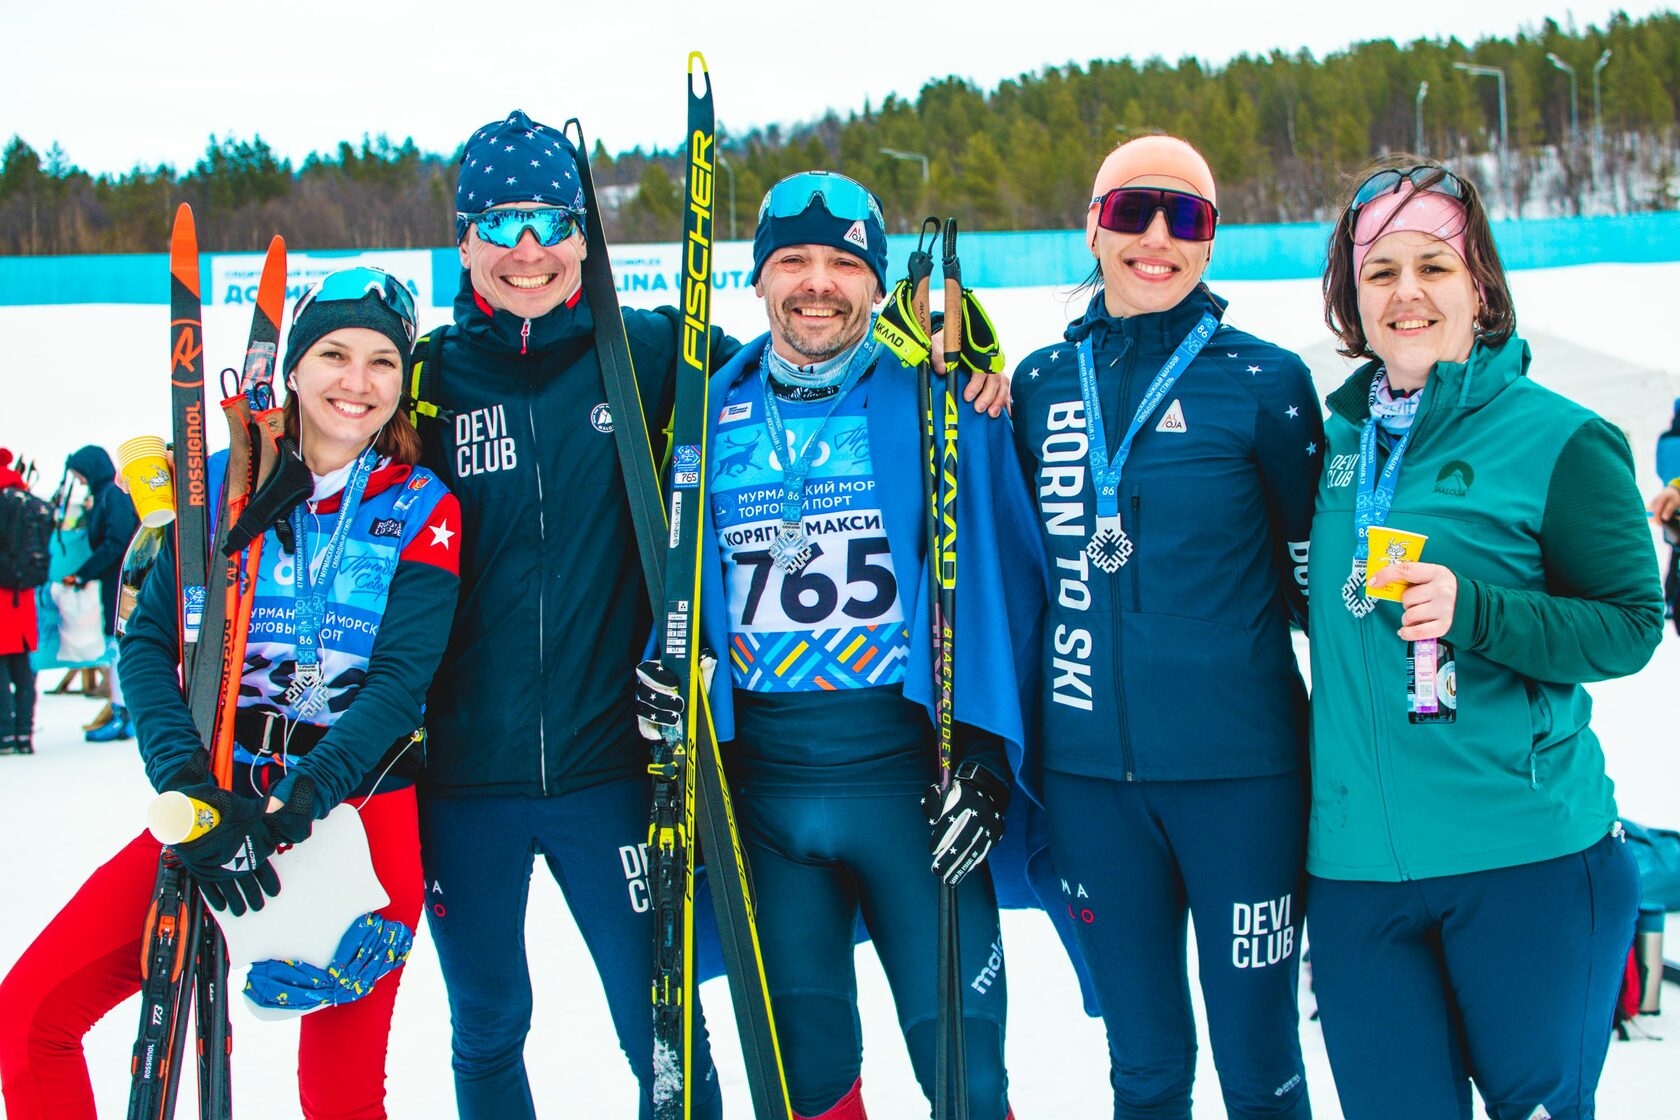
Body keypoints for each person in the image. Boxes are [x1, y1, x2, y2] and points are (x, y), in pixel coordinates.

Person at [0, 267, 461, 1120]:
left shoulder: (422, 504)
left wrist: (298, 804)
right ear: (292, 367)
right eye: (333, 354)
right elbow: (144, 646)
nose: (356, 383)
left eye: (380, 363)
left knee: (339, 1096)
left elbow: (401, 681)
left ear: (402, 382)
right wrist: (186, 785)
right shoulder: (214, 485)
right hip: (213, 797)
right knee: (28, 1016)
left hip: (354, 815)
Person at [634, 171, 1037, 1120]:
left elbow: (1003, 586)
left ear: (876, 280)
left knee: (970, 1084)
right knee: (804, 1082)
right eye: (794, 261)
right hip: (764, 802)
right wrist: (662, 665)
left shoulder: (942, 408)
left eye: (844, 264)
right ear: (759, 278)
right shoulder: (702, 416)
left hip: (911, 789)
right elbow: (668, 575)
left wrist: (981, 755)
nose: (819, 283)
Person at [1306, 159, 1661, 1119]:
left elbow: (1633, 627)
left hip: (1526, 862)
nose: (1407, 293)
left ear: (1482, 288)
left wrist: (1479, 612)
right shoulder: (1330, 446)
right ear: (1352, 294)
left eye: (1435, 267)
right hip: (1356, 876)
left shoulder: (1560, 438)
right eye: (1381, 272)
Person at [1006, 135, 1320, 1119]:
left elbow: (1319, 585)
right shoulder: (1040, 384)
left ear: (1212, 239)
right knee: (1144, 1065)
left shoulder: (1267, 384)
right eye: (1133, 211)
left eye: (1185, 217)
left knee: (1258, 1060)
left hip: (1243, 785)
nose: (1156, 237)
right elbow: (1007, 567)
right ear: (1093, 227)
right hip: (1092, 785)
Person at [57, 444, 139, 739]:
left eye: (80, 475)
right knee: (117, 646)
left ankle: (123, 713)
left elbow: (117, 542)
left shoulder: (112, 495)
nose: (80, 481)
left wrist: (83, 573)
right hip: (116, 582)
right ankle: (122, 711)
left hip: (122, 584)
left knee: (120, 647)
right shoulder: (106, 495)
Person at [0, 448, 39, 755]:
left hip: (1, 598)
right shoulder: (24, 497)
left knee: (0, 672)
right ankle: (25, 734)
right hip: (23, 597)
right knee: (22, 670)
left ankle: (5, 735)